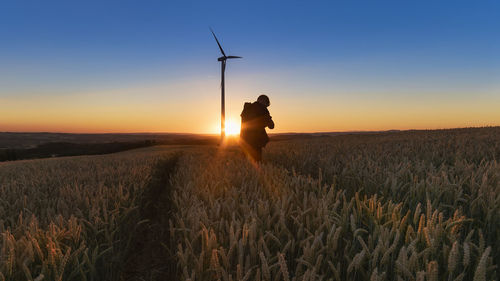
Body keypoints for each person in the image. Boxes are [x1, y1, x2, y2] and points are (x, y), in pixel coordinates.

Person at [240, 94, 275, 162]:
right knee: (256, 162)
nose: (266, 106)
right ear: (264, 101)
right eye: (266, 104)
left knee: (244, 162)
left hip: (244, 139)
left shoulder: (247, 108)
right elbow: (271, 126)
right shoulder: (262, 109)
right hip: (256, 140)